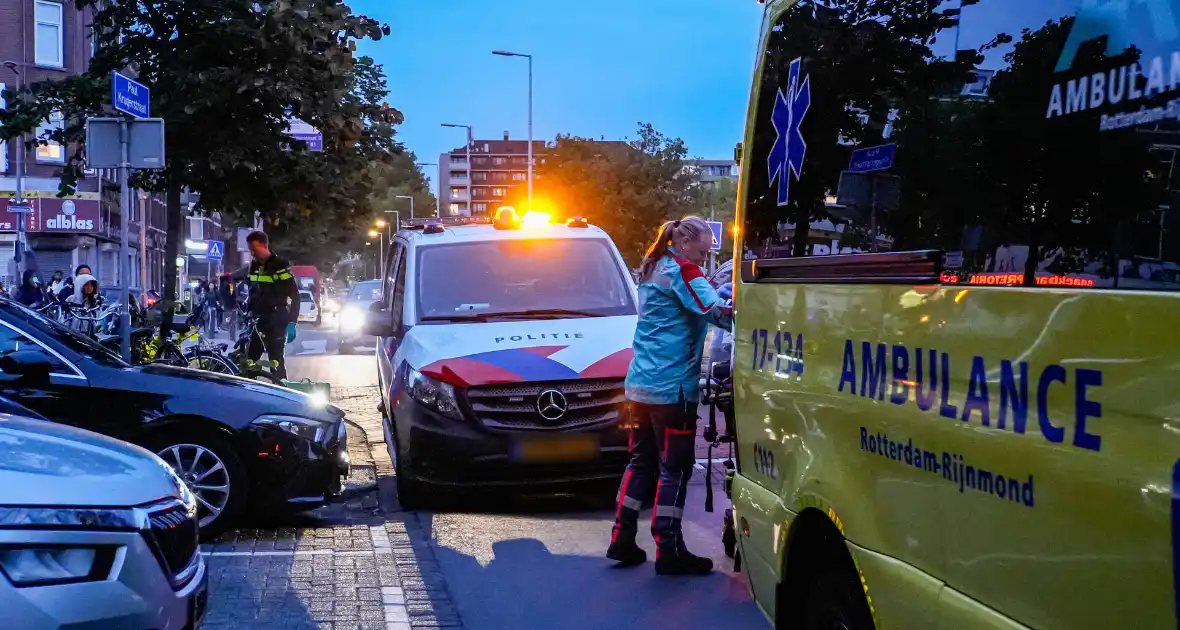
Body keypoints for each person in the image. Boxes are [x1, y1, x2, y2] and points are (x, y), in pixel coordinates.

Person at [607, 216, 733, 576]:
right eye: (702, 250)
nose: (703, 258)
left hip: (640, 385)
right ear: (684, 244)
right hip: (672, 389)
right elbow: (717, 313)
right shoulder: (684, 271)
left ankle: (621, 538)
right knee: (674, 469)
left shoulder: (652, 268)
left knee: (640, 463)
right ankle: (669, 548)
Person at [244, 231, 300, 379]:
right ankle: (247, 393)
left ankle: (283, 393)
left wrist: (293, 321)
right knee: (249, 361)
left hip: (276, 321)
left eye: (254, 250)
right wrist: (247, 309)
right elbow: (253, 291)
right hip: (259, 320)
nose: (252, 254)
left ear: (264, 246)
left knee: (275, 361)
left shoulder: (279, 265)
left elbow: (294, 294)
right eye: (250, 250)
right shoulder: (255, 265)